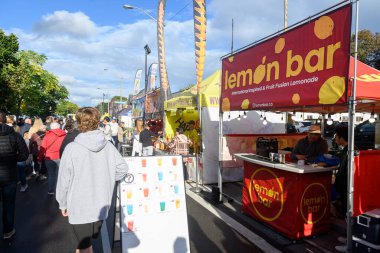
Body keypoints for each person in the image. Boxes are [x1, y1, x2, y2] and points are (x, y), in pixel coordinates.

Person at [56, 107, 129, 253]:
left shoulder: (72, 148)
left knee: (85, 246)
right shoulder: (108, 146)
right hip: (101, 205)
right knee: (83, 244)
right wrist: (106, 178)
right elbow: (122, 168)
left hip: (79, 206)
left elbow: (64, 179)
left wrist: (62, 203)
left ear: (79, 122)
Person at [0, 111, 29, 239]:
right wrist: (13, 158)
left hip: (9, 173)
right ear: (5, 119)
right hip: (9, 175)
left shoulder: (15, 134)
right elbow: (24, 155)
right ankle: (8, 230)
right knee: (8, 203)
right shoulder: (15, 135)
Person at [38, 122, 66, 195]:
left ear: (51, 128)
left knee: (51, 174)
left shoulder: (47, 136)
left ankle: (51, 190)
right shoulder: (64, 135)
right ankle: (60, 191)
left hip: (50, 157)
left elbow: (42, 148)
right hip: (61, 156)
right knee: (60, 174)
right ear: (59, 127)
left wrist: (39, 159)